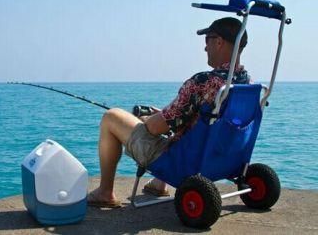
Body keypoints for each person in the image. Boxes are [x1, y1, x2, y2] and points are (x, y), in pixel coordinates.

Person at [87, 17, 251, 208]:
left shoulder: (201, 82)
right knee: (173, 122)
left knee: (112, 117)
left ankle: (105, 192)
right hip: (221, 158)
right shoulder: (246, 83)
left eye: (207, 40)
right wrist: (166, 115)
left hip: (186, 163)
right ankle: (158, 184)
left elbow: (156, 128)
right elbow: (199, 120)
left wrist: (148, 119)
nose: (205, 48)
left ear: (219, 41)